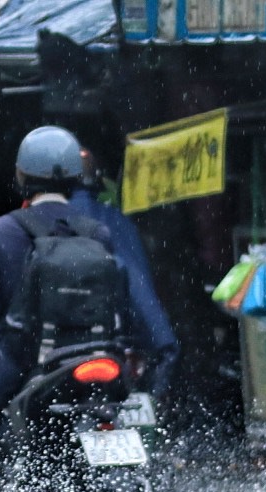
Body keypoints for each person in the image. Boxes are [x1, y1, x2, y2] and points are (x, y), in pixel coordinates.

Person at [0, 125, 122, 492]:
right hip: (94, 360)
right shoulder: (98, 233)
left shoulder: (1, 232)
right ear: (77, 178)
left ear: (21, 175)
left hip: (23, 362)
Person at [71, 146, 179, 398]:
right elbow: (139, 289)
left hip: (52, 358)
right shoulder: (115, 222)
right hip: (114, 347)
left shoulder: (27, 223)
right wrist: (164, 346)